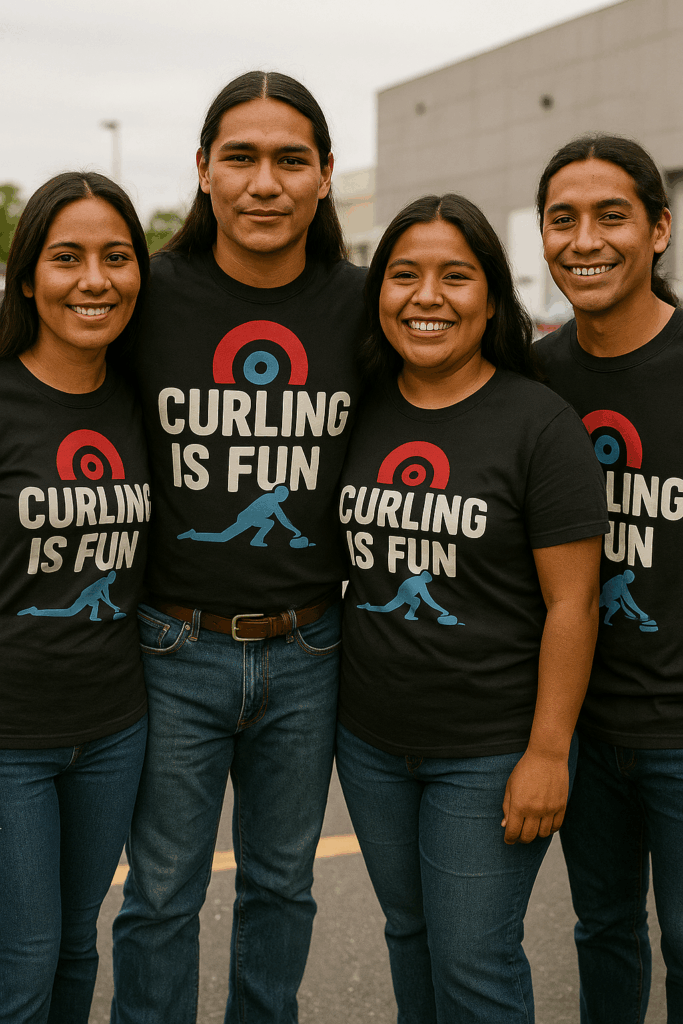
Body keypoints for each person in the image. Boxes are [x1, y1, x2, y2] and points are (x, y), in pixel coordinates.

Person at [111, 71, 367, 1024]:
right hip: (171, 645)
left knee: (281, 889)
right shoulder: (149, 296)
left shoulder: (361, 304)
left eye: (290, 160)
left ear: (327, 175)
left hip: (311, 648)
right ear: (204, 172)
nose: (266, 182)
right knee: (163, 892)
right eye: (242, 158)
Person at [334, 193, 609, 1022]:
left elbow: (574, 600)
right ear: (376, 291)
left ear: (490, 296)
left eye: (455, 276)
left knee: (473, 965)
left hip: (487, 752)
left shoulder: (536, 422)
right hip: (370, 742)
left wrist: (547, 754)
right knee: (409, 937)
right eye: (404, 275)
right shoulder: (361, 407)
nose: (427, 297)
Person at [535, 133, 683, 1023]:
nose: (583, 239)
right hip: (580, 727)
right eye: (563, 218)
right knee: (603, 934)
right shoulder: (534, 376)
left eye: (611, 216)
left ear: (658, 231)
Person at [0, 171, 150, 1024]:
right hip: (9, 737)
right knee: (19, 962)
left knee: (76, 945)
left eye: (115, 257)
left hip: (113, 729)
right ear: (29, 276)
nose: (94, 280)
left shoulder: (139, 400)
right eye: (68, 257)